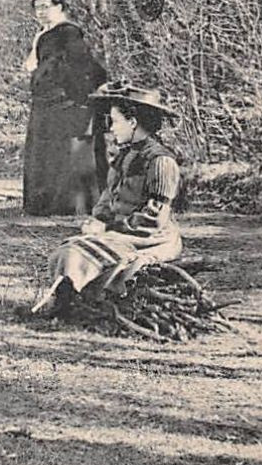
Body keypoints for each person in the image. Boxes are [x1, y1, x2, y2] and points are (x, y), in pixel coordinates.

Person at [24, 83, 184, 318]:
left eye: (116, 121)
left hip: (151, 239)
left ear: (133, 122)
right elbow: (109, 198)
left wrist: (109, 228)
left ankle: (70, 305)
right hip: (123, 232)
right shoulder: (125, 156)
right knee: (69, 248)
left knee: (76, 253)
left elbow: (154, 217)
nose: (111, 128)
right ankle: (69, 302)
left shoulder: (161, 162)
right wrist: (97, 220)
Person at [22, 0, 108, 216]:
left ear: (59, 6)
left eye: (45, 7)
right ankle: (47, 204)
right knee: (46, 153)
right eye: (36, 8)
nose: (40, 12)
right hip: (47, 104)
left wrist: (76, 96)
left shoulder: (68, 33)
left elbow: (82, 67)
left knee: (67, 153)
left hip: (65, 103)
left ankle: (69, 205)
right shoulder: (45, 34)